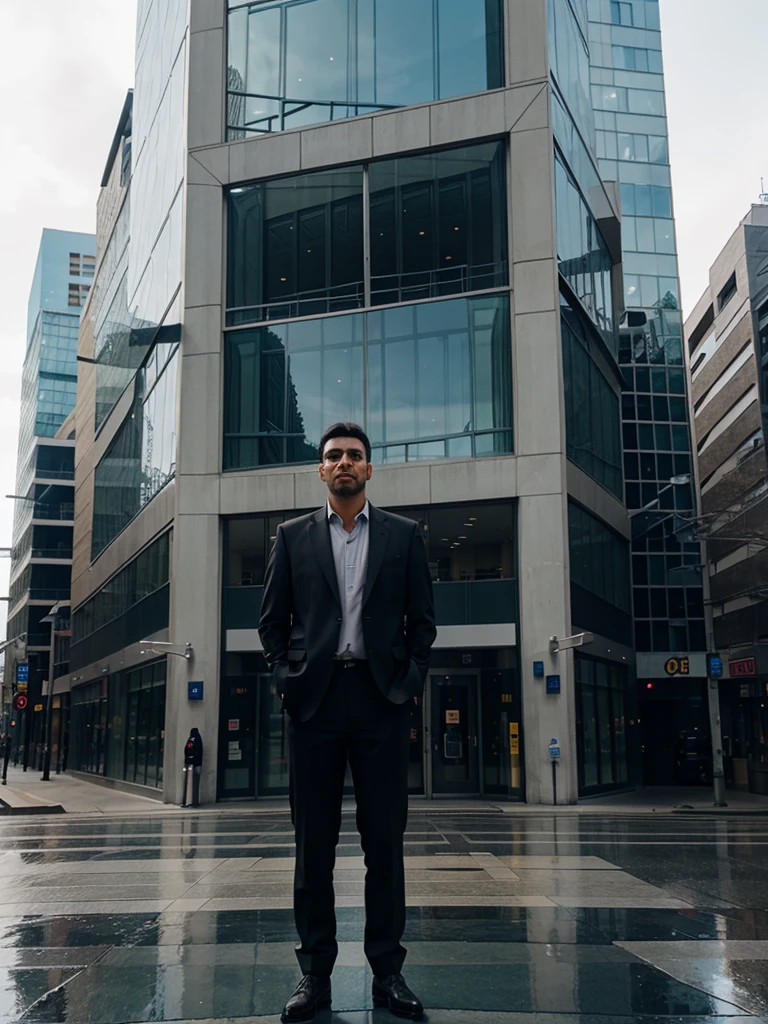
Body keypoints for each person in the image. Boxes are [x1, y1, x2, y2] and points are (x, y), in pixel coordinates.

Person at [259, 423, 436, 1023]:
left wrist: (408, 684)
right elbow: (271, 623)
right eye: (333, 455)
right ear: (320, 469)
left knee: (384, 845)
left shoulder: (405, 536)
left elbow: (424, 623)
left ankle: (388, 973)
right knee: (314, 848)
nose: (343, 463)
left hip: (381, 703)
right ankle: (315, 976)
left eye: (354, 456)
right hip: (314, 705)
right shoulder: (291, 536)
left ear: (369, 469)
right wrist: (287, 680)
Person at [183, 727, 203, 807]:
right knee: (195, 783)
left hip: (190, 763)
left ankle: (189, 801)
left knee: (190, 782)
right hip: (197, 763)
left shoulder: (191, 739)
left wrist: (188, 758)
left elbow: (187, 749)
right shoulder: (198, 739)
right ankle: (194, 801)